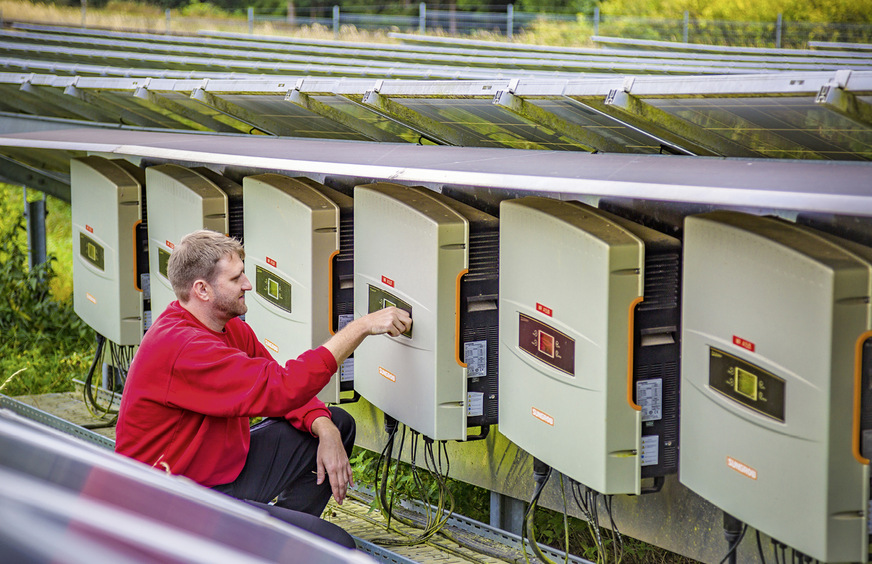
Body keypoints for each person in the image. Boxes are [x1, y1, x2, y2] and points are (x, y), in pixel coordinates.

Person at [115, 229, 411, 549]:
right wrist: (361, 326)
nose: (248, 285)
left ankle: (269, 544)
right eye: (236, 278)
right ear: (202, 290)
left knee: (337, 424)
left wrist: (324, 428)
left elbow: (281, 389)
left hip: (221, 474)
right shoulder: (183, 347)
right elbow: (283, 387)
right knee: (335, 547)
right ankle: (265, 544)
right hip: (173, 504)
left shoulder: (228, 328)